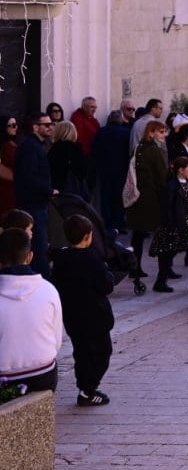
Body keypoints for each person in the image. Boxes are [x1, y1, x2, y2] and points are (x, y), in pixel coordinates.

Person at [50, 213, 114, 406]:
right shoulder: (92, 259)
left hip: (73, 317)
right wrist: (109, 276)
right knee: (101, 353)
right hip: (94, 317)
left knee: (82, 353)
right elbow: (105, 285)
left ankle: (85, 387)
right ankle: (88, 390)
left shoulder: (61, 258)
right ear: (88, 236)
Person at [0, 228, 62, 394]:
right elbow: (56, 341)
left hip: (5, 378)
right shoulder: (48, 290)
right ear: (30, 257)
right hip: (43, 374)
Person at [151, 156, 188, 293]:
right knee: (167, 254)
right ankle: (160, 281)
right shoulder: (171, 187)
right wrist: (171, 225)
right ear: (180, 170)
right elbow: (167, 208)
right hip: (176, 225)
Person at [14, 114, 57, 276]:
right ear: (35, 127)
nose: (50, 127)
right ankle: (43, 282)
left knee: (39, 246)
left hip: (37, 203)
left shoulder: (35, 146)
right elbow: (28, 177)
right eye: (46, 125)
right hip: (33, 205)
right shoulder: (31, 147)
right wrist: (49, 191)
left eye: (51, 124)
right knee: (38, 247)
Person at [128, 120, 168, 280]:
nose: (163, 135)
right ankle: (163, 275)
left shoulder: (138, 148)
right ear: (151, 133)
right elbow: (161, 177)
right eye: (160, 132)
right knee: (162, 235)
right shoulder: (154, 150)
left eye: (164, 132)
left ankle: (134, 267)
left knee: (137, 235)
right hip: (151, 198)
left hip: (138, 197)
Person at [91, 111, 131, 232]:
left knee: (106, 196)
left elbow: (96, 150)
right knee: (119, 197)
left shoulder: (101, 131)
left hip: (105, 169)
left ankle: (107, 224)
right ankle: (118, 223)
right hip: (121, 169)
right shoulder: (126, 132)